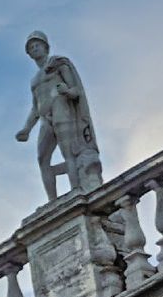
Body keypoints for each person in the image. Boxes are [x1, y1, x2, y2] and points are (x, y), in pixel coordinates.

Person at [17, 30, 102, 200]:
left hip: (62, 113)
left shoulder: (58, 64)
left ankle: (76, 190)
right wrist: (26, 128)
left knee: (68, 154)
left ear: (45, 47)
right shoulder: (34, 80)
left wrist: (67, 91)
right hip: (45, 120)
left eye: (37, 45)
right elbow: (35, 107)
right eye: (31, 47)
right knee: (42, 158)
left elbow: (76, 90)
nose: (34, 49)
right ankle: (52, 200)